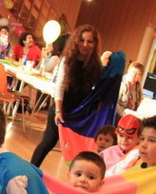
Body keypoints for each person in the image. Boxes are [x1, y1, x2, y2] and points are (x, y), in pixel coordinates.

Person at [30, 24, 103, 167]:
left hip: (80, 113)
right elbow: (60, 85)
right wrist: (58, 110)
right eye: (82, 40)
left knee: (77, 149)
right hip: (62, 108)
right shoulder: (68, 59)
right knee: (48, 142)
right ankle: (30, 171)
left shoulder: (96, 64)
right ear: (76, 41)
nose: (85, 44)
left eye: (89, 41)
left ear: (95, 44)